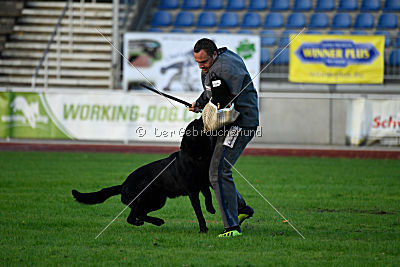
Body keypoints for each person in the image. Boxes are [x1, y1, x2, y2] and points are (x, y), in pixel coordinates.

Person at [189, 38, 259, 237]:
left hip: (240, 123)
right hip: (230, 122)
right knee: (214, 172)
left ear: (214, 54)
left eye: (204, 62)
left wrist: (212, 109)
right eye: (197, 62)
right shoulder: (215, 65)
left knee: (218, 171)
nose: (201, 66)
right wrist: (199, 103)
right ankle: (241, 210)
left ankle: (232, 228)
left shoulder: (226, 68)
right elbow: (211, 92)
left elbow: (226, 101)